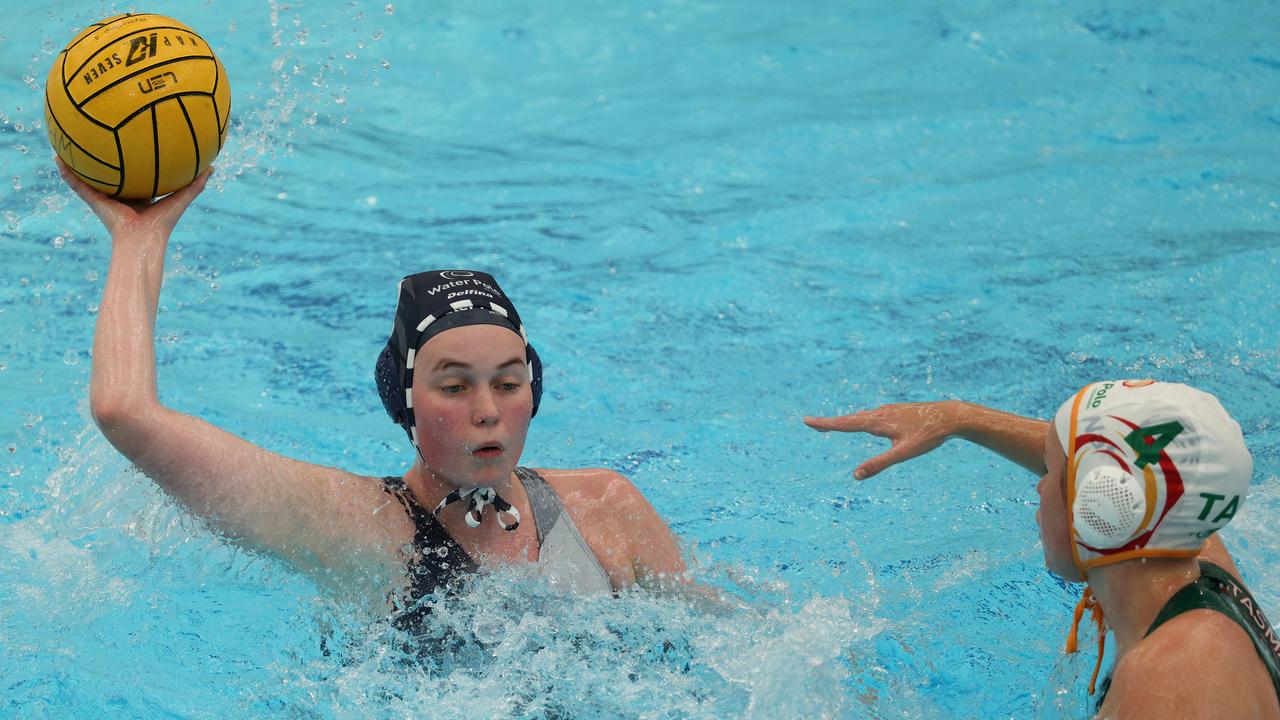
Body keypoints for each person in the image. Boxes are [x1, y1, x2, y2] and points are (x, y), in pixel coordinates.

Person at [58, 160, 690, 625]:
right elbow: (125, 411)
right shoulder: (362, 534)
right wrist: (139, 240)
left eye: (507, 382)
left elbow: (736, 644)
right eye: (453, 385)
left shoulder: (607, 506)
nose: (488, 411)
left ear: (536, 387)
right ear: (402, 397)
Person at [805, 380, 1280, 719]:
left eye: (1050, 472)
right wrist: (960, 418)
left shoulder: (1174, 679)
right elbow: (1144, 469)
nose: (1039, 487)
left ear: (1101, 506)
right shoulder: (1190, 550)